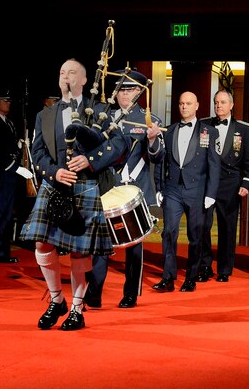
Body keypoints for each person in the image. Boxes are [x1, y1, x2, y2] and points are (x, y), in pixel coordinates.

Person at [19, 58, 126, 330]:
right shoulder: (46, 114)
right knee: (41, 244)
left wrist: (91, 160)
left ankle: (78, 307)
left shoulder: (99, 109)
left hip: (86, 184)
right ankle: (57, 299)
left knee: (80, 252)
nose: (65, 76)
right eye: (62, 71)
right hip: (55, 184)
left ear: (84, 80)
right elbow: (38, 153)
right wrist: (54, 172)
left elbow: (118, 143)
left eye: (72, 72)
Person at [84, 70, 165, 309]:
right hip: (106, 187)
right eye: (120, 89)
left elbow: (157, 157)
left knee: (134, 246)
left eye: (129, 90)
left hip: (133, 188)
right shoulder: (103, 115)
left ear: (139, 92)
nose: (123, 94)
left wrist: (152, 140)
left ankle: (130, 293)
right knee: (99, 244)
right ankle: (94, 292)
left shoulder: (149, 118)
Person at [153, 91, 220, 293]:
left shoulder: (209, 132)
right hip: (173, 189)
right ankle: (168, 277)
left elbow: (214, 166)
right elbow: (161, 161)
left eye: (188, 103)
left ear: (197, 106)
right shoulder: (170, 130)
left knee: (195, 235)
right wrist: (159, 187)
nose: (184, 107)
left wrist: (211, 194)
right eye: (181, 103)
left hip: (197, 190)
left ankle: (191, 277)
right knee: (169, 232)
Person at [198, 89, 249, 283]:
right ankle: (205, 265)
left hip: (231, 183)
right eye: (216, 102)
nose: (218, 106)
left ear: (231, 105)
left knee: (227, 228)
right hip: (207, 182)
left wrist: (247, 182)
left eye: (223, 102)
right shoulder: (204, 125)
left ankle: (224, 269)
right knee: (203, 226)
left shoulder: (243, 129)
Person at [0, 88, 32, 263]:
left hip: (9, 174)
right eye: (4, 100)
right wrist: (15, 167)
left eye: (9, 101)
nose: (8, 103)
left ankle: (3, 251)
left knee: (7, 214)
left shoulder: (8, 122)